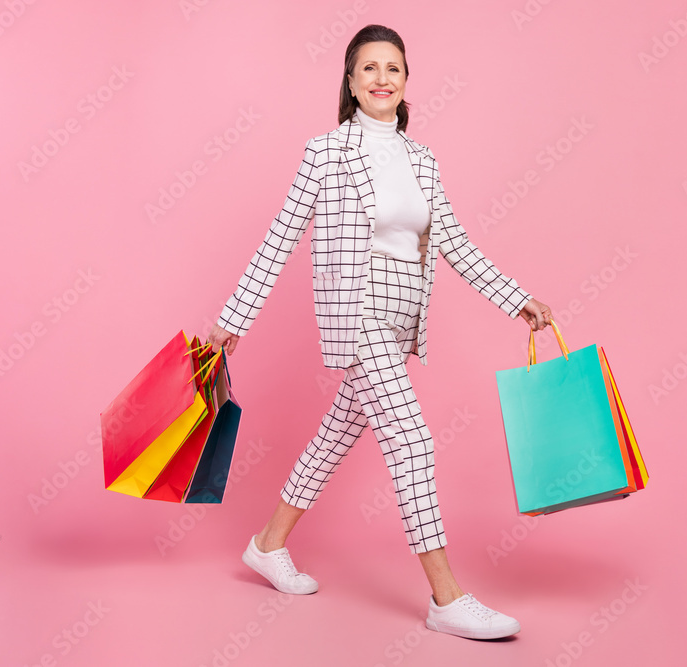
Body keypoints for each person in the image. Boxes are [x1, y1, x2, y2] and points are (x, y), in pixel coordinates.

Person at [208, 24, 552, 640]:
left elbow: (452, 242)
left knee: (336, 435)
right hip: (354, 311)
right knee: (413, 441)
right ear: (349, 80)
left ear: (406, 80)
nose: (381, 78)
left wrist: (517, 299)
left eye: (392, 67)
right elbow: (280, 237)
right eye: (368, 68)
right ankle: (446, 598)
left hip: (400, 317)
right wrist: (235, 319)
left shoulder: (422, 160)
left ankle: (267, 544)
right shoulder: (326, 152)